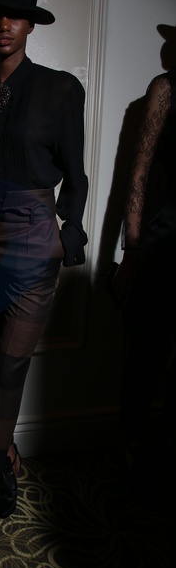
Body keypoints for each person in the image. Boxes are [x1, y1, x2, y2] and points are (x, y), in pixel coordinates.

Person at [0, 0, 88, 555]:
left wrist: (70, 234)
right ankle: (6, 454)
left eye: (15, 15)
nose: (3, 24)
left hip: (36, 239)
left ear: (31, 23)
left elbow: (76, 177)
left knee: (12, 365)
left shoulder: (61, 89)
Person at [112, 23, 176, 473]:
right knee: (146, 357)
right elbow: (138, 171)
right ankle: (127, 452)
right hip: (165, 242)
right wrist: (131, 250)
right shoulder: (166, 89)